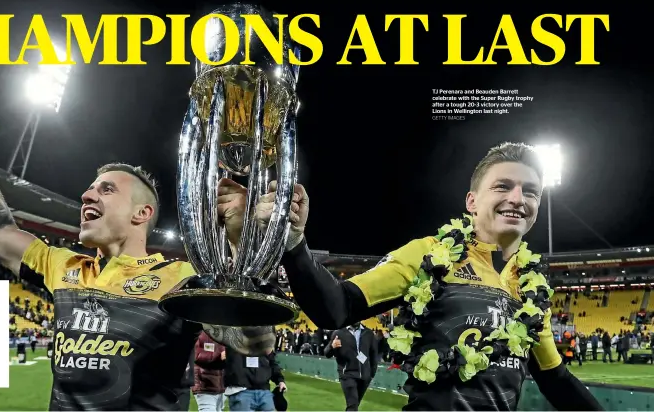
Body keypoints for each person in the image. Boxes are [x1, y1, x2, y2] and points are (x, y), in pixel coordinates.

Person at [0, 97, 276, 410]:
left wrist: (238, 245)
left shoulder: (180, 277)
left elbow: (255, 342)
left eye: (106, 189)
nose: (87, 195)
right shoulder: (62, 265)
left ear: (141, 214)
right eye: (90, 188)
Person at [252, 142, 603, 410]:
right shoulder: (429, 253)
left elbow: (555, 380)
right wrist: (295, 245)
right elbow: (337, 308)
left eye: (530, 191)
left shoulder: (531, 289)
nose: (517, 198)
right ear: (472, 202)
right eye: (503, 186)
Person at [324, 322, 379, 411]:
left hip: (364, 376)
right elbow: (327, 353)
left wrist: (371, 374)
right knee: (352, 406)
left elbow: (373, 354)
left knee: (354, 405)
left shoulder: (368, 333)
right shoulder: (338, 333)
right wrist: (332, 346)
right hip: (347, 374)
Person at [223, 347, 287, 411]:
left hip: (264, 392)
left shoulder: (263, 342)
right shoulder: (234, 342)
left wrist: (280, 380)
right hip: (241, 391)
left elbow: (272, 363)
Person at [192, 331, 227, 411]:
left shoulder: (223, 331)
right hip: (204, 385)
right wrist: (219, 356)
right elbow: (196, 355)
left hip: (221, 386)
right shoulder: (199, 332)